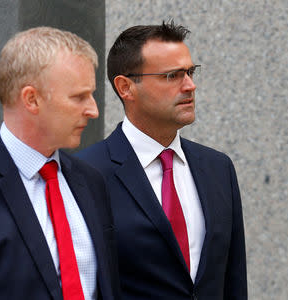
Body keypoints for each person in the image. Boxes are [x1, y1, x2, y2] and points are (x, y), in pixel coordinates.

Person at [0, 27, 120, 300]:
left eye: (92, 94)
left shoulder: (91, 182)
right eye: (79, 97)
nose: (93, 110)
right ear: (31, 99)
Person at [76, 21, 247, 299]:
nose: (190, 86)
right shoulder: (86, 175)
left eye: (190, 72)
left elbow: (233, 280)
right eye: (172, 76)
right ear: (125, 87)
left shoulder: (218, 168)